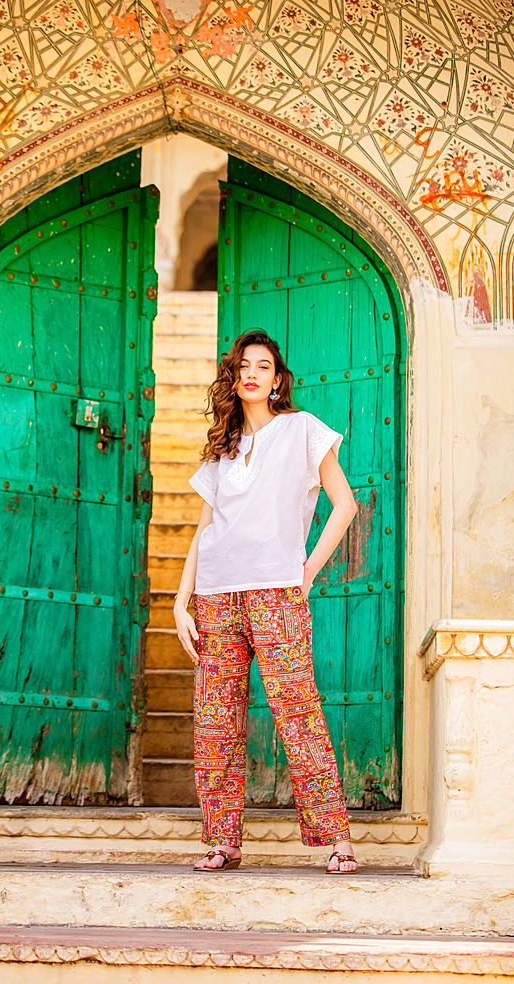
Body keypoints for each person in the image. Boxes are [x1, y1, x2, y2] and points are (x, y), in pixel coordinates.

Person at [173, 330, 359, 874]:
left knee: (298, 713)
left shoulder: (301, 431)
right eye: (243, 366)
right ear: (234, 379)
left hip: (276, 593)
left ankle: (336, 839)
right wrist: (181, 603)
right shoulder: (221, 453)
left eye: (264, 365)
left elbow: (344, 505)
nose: (252, 373)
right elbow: (201, 531)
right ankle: (222, 841)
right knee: (215, 723)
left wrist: (303, 575)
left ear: (278, 380)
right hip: (214, 596)